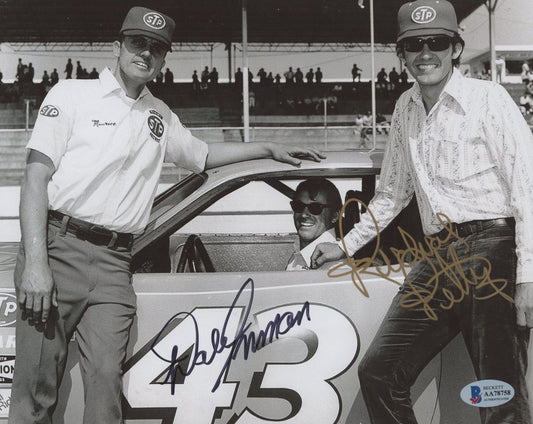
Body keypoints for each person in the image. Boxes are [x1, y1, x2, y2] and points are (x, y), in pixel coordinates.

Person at [9, 6, 324, 424]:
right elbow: (34, 179)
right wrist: (35, 263)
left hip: (114, 263)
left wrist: (265, 148)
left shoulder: (160, 115)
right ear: (118, 46)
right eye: (138, 43)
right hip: (57, 247)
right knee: (36, 388)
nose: (146, 53)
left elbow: (204, 155)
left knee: (106, 384)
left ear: (164, 58)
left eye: (156, 48)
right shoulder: (70, 94)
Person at [311, 1, 533, 423]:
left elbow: (529, 189)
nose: (425, 53)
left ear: (456, 48)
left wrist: (529, 277)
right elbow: (392, 193)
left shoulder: (490, 98)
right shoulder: (404, 108)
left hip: (494, 249)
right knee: (379, 371)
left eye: (437, 42)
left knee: (498, 394)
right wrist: (343, 246)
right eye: (414, 44)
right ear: (402, 53)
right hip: (438, 254)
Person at [286, 178, 342, 271]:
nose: (304, 214)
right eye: (299, 206)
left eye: (315, 208)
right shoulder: (300, 252)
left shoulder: (336, 265)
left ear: (334, 216)